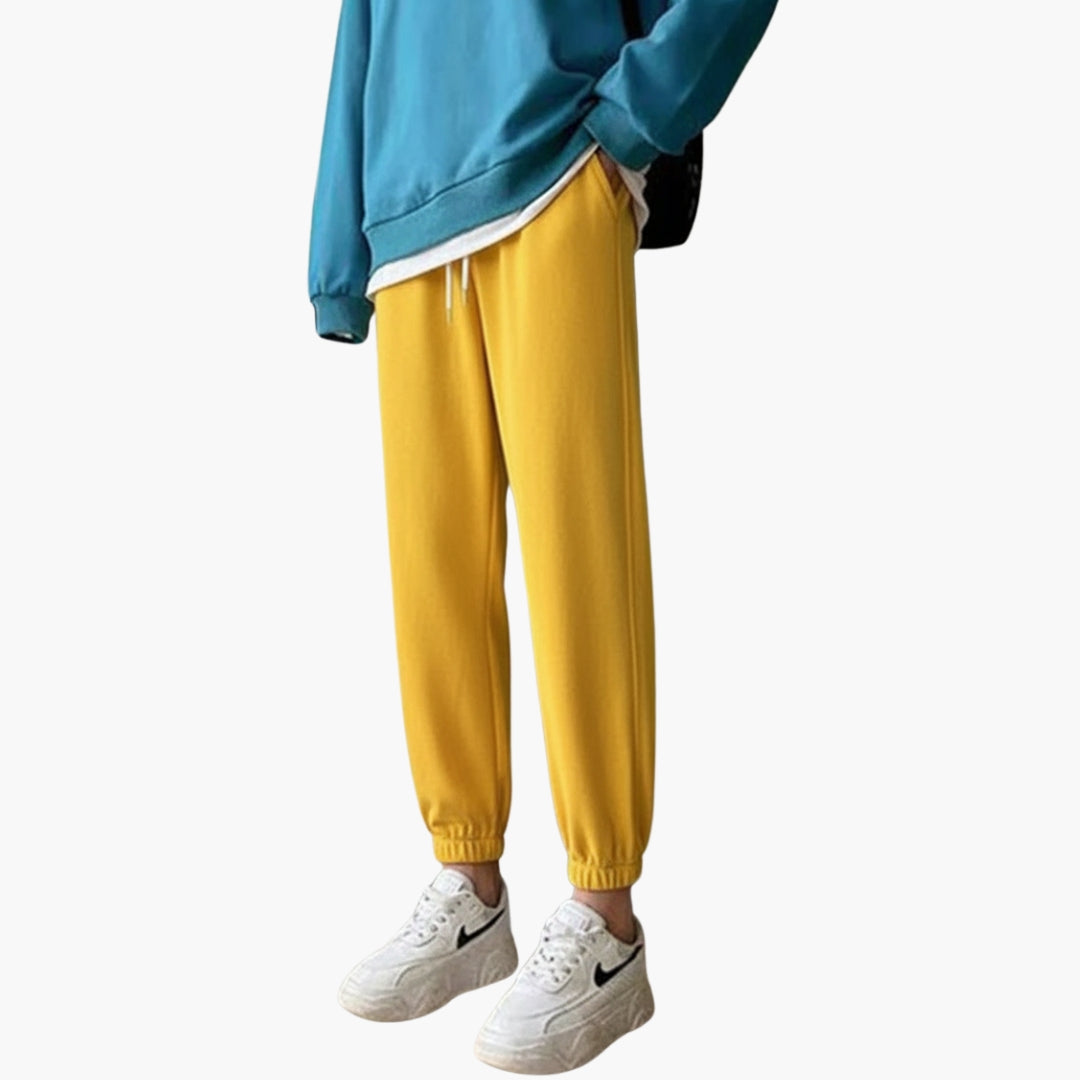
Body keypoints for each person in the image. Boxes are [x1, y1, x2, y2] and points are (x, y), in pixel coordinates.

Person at [308, 0, 777, 1070]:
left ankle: (606, 922)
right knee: (433, 573)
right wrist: (339, 245)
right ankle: (468, 885)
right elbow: (362, 32)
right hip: (405, 217)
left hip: (554, 167)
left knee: (580, 557)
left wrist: (635, 120)